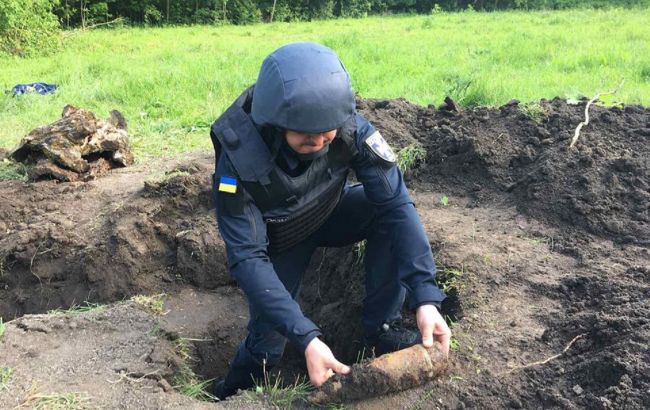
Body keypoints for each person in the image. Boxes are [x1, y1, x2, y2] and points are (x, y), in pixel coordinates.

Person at [209, 42, 451, 399]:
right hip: (280, 238)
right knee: (266, 349)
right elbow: (247, 257)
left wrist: (426, 296)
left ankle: (381, 328)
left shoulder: (347, 126)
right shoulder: (239, 160)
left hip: (329, 210)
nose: (322, 141)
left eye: (328, 133)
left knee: (379, 207)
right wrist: (307, 337)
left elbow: (397, 205)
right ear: (276, 124)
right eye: (308, 139)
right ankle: (229, 394)